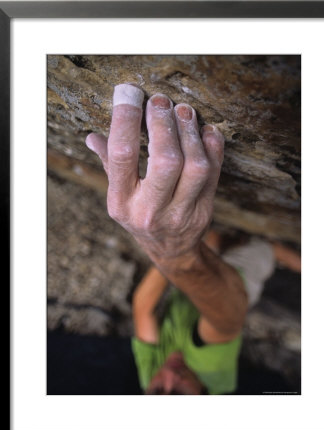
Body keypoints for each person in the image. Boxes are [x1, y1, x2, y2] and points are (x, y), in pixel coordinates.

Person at [85, 84, 300, 395]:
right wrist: (176, 255)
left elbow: (142, 308)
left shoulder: (150, 376)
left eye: (159, 391)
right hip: (237, 285)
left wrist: (163, 246)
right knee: (264, 250)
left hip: (189, 283)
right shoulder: (213, 372)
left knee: (213, 238)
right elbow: (228, 317)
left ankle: (215, 242)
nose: (169, 379)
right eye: (180, 393)